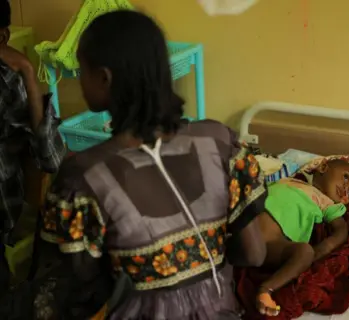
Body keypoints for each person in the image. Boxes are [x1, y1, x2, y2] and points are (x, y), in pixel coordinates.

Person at [28, 10, 267, 320]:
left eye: (82, 70)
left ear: (104, 78)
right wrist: (199, 267)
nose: (80, 81)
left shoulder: (84, 177)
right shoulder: (219, 144)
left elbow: (78, 291)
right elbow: (254, 253)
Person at [0, 0, 65, 291]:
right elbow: (53, 160)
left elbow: (51, 160)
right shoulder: (8, 79)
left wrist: (26, 72)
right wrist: (26, 70)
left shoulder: (8, 81)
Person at [255, 159, 349, 316]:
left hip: (270, 245)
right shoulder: (289, 179)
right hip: (248, 220)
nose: (346, 188)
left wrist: (326, 246)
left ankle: (266, 289)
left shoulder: (328, 203)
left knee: (305, 252)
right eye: (346, 178)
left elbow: (341, 230)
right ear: (322, 167)